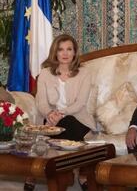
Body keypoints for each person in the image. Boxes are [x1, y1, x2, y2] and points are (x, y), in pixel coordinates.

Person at [32, 34, 95, 191]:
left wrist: (59, 114)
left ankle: (52, 174)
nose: (65, 53)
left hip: (76, 119)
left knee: (66, 124)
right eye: (61, 50)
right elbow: (41, 102)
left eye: (69, 49)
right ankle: (75, 173)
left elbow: (80, 103)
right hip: (49, 120)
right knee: (58, 129)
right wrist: (49, 114)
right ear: (55, 52)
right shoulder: (45, 73)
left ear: (74, 52)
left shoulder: (84, 73)